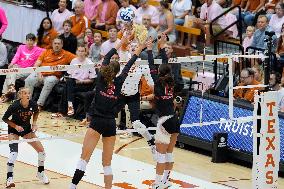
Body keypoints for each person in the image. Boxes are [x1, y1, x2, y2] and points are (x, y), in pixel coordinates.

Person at [69, 35, 145, 189]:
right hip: (110, 124)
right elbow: (129, 64)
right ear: (118, 72)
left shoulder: (100, 79)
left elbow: (108, 56)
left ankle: (73, 187)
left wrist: (120, 43)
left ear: (106, 69)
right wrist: (138, 50)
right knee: (107, 164)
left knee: (84, 158)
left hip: (97, 121)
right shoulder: (119, 81)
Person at [147, 34, 180, 189]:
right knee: (169, 153)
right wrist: (161, 46)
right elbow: (164, 63)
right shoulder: (171, 81)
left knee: (160, 156)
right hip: (174, 119)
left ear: (159, 73)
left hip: (164, 121)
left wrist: (148, 50)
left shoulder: (158, 83)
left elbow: (151, 65)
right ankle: (166, 180)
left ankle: (158, 183)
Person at [2, 87, 49, 188]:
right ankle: (9, 179)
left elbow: (36, 112)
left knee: (42, 152)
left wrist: (34, 123)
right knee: (13, 153)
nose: (27, 95)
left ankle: (40, 173)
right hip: (14, 130)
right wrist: (15, 126)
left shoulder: (33, 104)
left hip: (27, 130)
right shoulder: (14, 106)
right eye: (25, 93)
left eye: (29, 93)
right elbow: (5, 118)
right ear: (20, 95)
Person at [25, 37, 76, 110]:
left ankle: (39, 105)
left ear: (62, 45)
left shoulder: (67, 54)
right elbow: (36, 64)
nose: (56, 45)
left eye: (58, 44)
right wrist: (39, 73)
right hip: (40, 73)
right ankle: (26, 103)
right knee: (29, 80)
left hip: (53, 76)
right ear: (52, 44)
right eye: (55, 43)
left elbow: (79, 60)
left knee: (49, 81)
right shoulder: (46, 52)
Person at [54, 45, 96, 117]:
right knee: (69, 83)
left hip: (85, 84)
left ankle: (62, 111)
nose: (80, 53)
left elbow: (92, 80)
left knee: (67, 86)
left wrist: (81, 82)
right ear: (76, 52)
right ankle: (69, 108)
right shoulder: (74, 61)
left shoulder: (90, 63)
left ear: (86, 52)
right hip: (73, 83)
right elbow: (69, 75)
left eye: (82, 51)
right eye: (79, 51)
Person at [1, 33, 44, 103]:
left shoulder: (39, 50)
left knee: (10, 74)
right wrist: (11, 64)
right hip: (19, 67)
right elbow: (16, 56)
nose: (29, 42)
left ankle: (5, 95)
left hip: (28, 70)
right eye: (28, 40)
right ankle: (11, 88)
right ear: (26, 41)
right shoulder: (21, 47)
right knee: (11, 71)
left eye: (31, 40)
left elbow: (48, 52)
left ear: (34, 42)